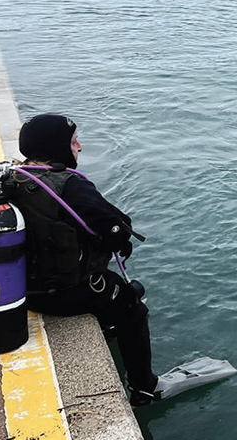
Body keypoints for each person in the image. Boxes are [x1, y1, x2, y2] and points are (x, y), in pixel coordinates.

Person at [12, 113, 162, 405]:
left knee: (117, 292)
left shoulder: (12, 178)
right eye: (73, 142)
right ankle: (145, 387)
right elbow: (116, 227)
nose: (79, 147)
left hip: (21, 291)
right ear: (57, 148)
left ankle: (107, 327)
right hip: (64, 294)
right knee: (133, 305)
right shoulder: (68, 184)